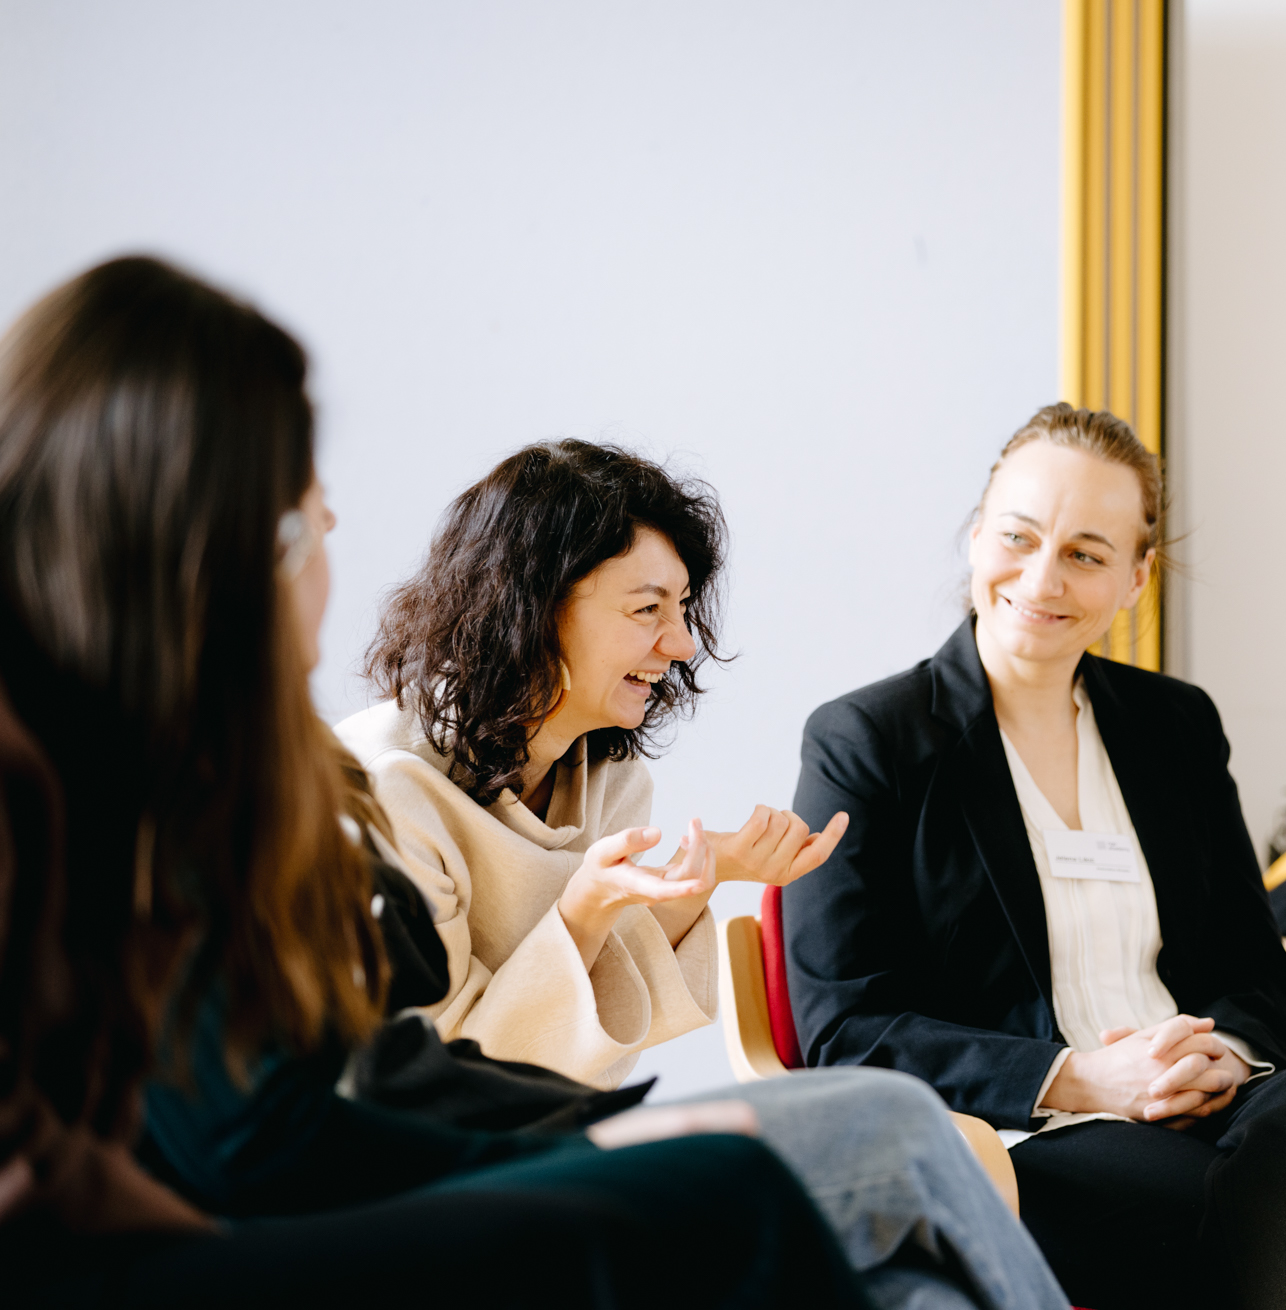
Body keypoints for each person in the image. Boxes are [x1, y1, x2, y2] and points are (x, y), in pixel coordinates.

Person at [0, 254, 872, 1308]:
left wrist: (591, 1131)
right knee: (735, 1190)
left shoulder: (178, 767)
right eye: (303, 517)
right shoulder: (327, 782)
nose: (679, 644)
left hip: (207, 1206)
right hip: (116, 1252)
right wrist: (585, 1146)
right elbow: (263, 1133)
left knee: (801, 1160)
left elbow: (286, 1106)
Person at [342, 441, 1067, 1310]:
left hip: (562, 1148)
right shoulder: (388, 790)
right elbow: (441, 1096)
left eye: (683, 608)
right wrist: (583, 914)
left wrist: (705, 875)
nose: (682, 642)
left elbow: (593, 1046)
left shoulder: (604, 776)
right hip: (458, 1183)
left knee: (917, 1293)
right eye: (648, 608)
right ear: (532, 604)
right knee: (904, 1125)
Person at [784, 403, 1286, 1310]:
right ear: (977, 537)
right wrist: (1082, 1079)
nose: (1042, 577)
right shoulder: (867, 741)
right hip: (1024, 1134)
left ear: (1136, 578)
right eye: (1019, 537)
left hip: (1211, 1109)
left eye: (1086, 554)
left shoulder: (1177, 727)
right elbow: (845, 1027)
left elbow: (1258, 971)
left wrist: (1224, 1056)